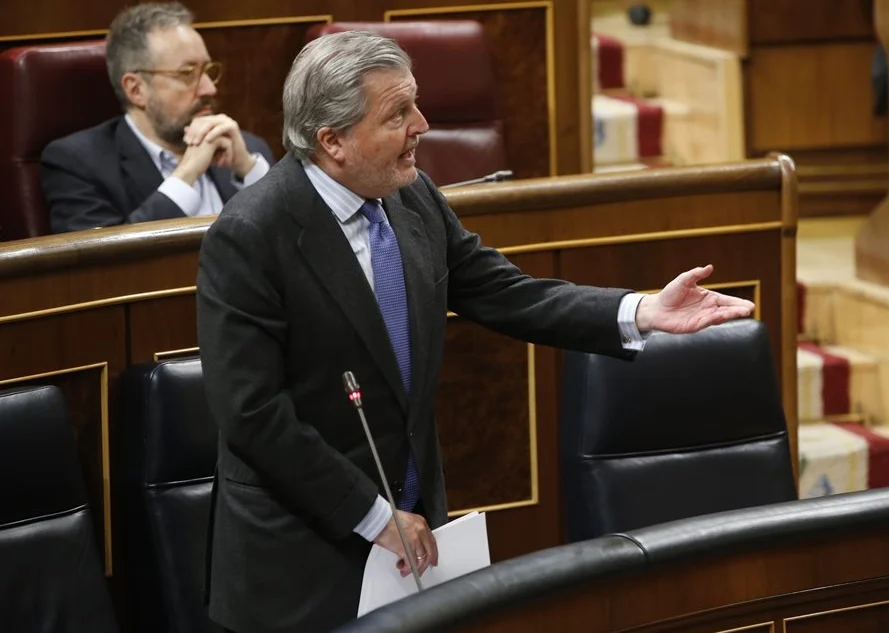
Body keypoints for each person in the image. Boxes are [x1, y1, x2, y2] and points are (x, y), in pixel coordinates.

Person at [196, 30, 755, 633]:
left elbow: (507, 291)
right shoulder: (252, 235)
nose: (423, 125)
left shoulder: (412, 198)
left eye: (415, 103)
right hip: (298, 561)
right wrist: (373, 515)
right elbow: (252, 413)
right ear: (333, 141)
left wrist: (641, 310)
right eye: (398, 114)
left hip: (413, 538)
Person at [40, 2, 274, 234]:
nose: (208, 89)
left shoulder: (248, 150)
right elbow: (103, 265)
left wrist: (248, 170)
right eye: (187, 73)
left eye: (207, 70)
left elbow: (297, 243)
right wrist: (186, 173)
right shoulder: (77, 164)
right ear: (136, 90)